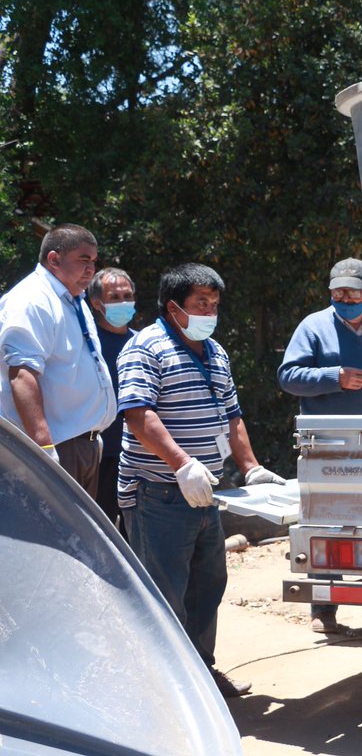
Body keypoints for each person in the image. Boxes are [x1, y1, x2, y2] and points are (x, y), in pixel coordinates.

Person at [117, 263, 287, 698]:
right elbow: (139, 415)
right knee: (164, 593)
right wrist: (180, 463)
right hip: (159, 494)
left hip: (204, 494)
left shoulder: (214, 351)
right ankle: (163, 691)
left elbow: (231, 414)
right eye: (201, 304)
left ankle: (200, 673)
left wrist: (251, 467)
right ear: (174, 307)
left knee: (207, 587)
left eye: (214, 304)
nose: (210, 311)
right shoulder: (145, 348)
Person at [277, 257, 362, 634]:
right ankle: (324, 609)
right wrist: (334, 377)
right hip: (329, 445)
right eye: (337, 292)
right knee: (328, 523)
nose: (344, 298)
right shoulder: (314, 327)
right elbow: (288, 376)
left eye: (352, 291)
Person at [0, 224, 116, 496]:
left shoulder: (72, 299)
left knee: (80, 538)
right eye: (83, 260)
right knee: (47, 537)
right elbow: (22, 375)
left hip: (82, 446)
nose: (91, 269)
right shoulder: (32, 299)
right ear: (54, 259)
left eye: (94, 262)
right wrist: (44, 450)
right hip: (55, 448)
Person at [88, 267, 139, 534]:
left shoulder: (141, 342)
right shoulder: (89, 343)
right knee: (102, 531)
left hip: (140, 456)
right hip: (102, 456)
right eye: (115, 296)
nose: (123, 302)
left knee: (137, 536)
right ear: (97, 303)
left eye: (127, 295)